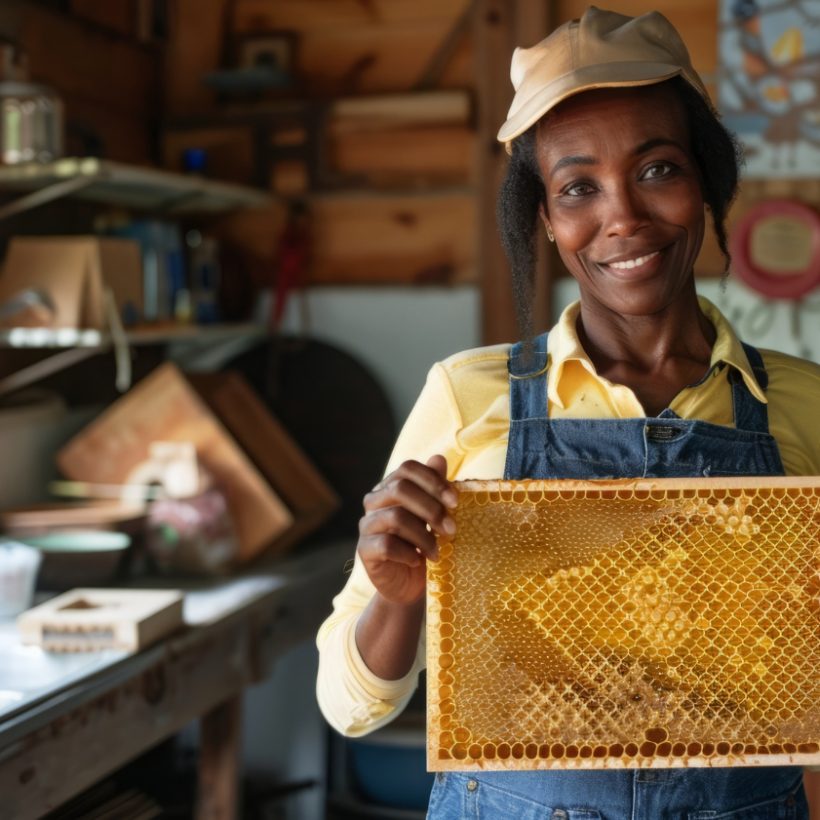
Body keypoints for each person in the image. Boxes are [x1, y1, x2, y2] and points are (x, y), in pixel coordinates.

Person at [316, 7, 820, 818]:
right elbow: (352, 705)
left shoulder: (806, 405)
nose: (621, 216)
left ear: (705, 181)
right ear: (546, 220)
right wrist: (398, 596)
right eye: (578, 187)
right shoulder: (464, 396)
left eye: (658, 169)